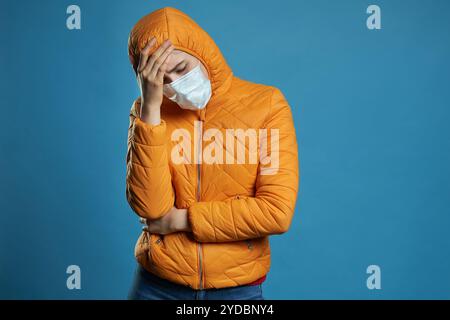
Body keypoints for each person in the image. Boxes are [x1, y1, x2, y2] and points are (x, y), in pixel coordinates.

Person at [126, 6, 299, 300]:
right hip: (157, 285)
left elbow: (276, 212)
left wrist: (180, 221)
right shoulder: (147, 114)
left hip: (237, 290)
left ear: (203, 52)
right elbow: (151, 209)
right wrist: (151, 109)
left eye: (181, 69)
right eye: (160, 80)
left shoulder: (267, 105)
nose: (175, 85)